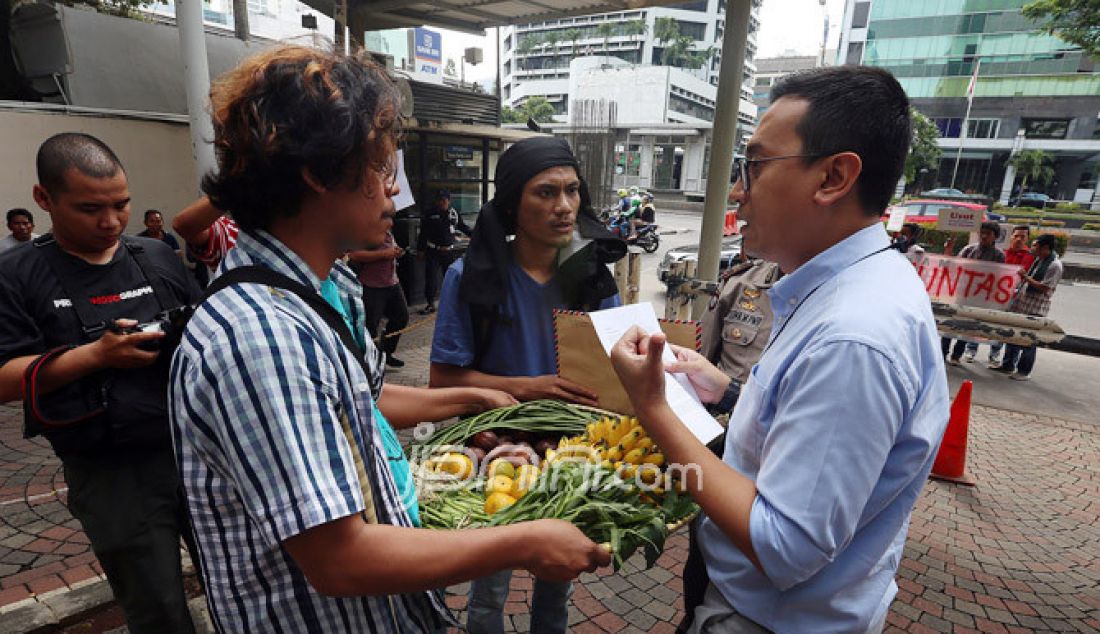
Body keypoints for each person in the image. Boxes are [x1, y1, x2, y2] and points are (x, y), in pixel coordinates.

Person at [169, 47, 609, 633]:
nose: (395, 192)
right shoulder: (263, 339)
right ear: (319, 175)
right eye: (382, 168)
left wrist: (483, 399)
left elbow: (364, 400)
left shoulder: (323, 288)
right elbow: (340, 560)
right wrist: (522, 539)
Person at [609, 66, 949, 633]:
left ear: (834, 177)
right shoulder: (845, 286)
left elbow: (784, 544)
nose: (739, 188)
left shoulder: (854, 334)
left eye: (755, 165)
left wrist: (653, 409)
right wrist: (728, 392)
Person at [0, 133, 200, 632]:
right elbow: (3, 379)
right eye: (90, 208)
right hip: (111, 471)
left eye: (121, 204)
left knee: (239, 580)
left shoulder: (154, 256)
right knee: (157, 608)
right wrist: (96, 355)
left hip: (198, 452)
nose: (111, 221)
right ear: (44, 199)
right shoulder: (16, 274)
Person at [428, 136, 626, 633]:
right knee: (489, 583)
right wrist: (530, 388)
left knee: (558, 580)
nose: (564, 207)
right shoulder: (470, 276)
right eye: (545, 193)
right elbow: (442, 380)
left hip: (571, 452)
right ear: (512, 203)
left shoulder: (593, 278)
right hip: (495, 449)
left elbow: (615, 374)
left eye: (573, 191)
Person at [678, 254, 780, 633]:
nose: (740, 193)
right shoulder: (741, 284)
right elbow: (704, 357)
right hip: (721, 447)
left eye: (753, 188)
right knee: (703, 554)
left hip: (778, 463)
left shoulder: (839, 307)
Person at [347, 199, 410, 369]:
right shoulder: (365, 229)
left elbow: (390, 249)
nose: (391, 221)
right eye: (388, 216)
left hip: (392, 282)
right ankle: (371, 363)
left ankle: (386, 352)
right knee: (370, 326)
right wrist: (384, 254)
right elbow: (354, 255)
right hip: (372, 285)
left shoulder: (388, 231)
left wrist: (396, 252)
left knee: (401, 317)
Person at [993, 233, 1063, 381]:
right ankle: (1008, 365)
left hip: (1036, 308)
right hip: (1023, 304)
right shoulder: (1038, 260)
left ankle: (1024, 371)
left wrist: (1025, 277)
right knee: (1014, 336)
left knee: (1029, 341)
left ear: (1045, 248)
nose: (1032, 248)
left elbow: (1045, 288)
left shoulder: (1054, 265)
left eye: (1035, 245)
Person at [942, 221, 1005, 365]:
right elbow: (954, 266)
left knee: (967, 328)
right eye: (981, 233)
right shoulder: (968, 250)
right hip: (962, 293)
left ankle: (956, 355)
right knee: (950, 324)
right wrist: (948, 252)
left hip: (980, 298)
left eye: (988, 234)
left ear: (995, 237)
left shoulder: (999, 255)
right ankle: (942, 353)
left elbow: (998, 277)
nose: (983, 236)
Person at [979, 225, 1036, 367]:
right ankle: (983, 352)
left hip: (1016, 299)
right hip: (996, 295)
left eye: (1022, 237)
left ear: (1027, 238)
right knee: (990, 323)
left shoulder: (1031, 257)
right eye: (1016, 236)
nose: (1018, 239)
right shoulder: (1002, 253)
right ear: (1011, 236)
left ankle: (1002, 358)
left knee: (1007, 328)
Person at [417, 189, 470, 314]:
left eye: (444, 200)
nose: (442, 202)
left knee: (451, 277)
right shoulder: (430, 213)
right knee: (431, 279)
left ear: (449, 200)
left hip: (449, 252)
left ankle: (452, 302)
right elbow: (423, 233)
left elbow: (462, 227)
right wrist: (420, 249)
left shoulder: (453, 213)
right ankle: (430, 304)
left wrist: (475, 234)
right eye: (439, 200)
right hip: (433, 251)